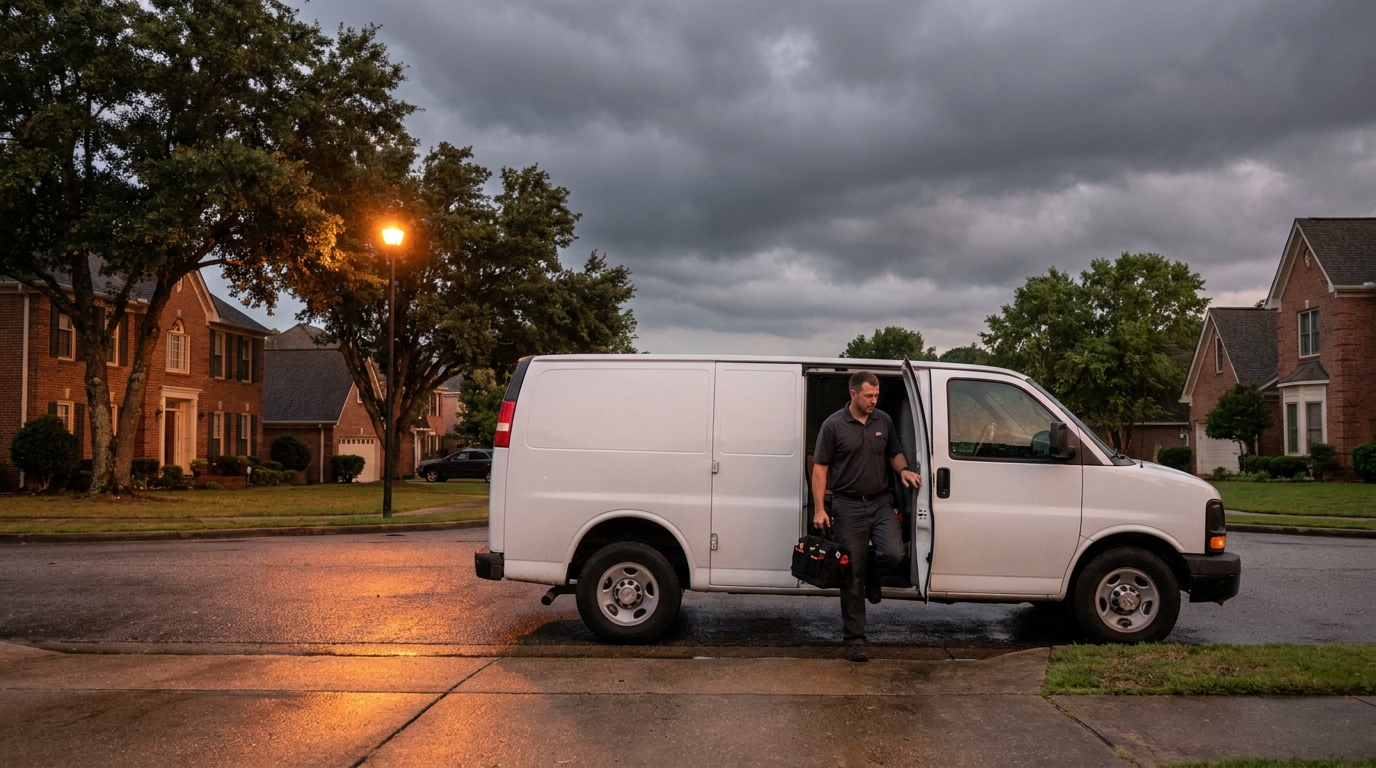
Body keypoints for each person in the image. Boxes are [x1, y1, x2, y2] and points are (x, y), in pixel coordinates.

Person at [811, 371, 922, 662]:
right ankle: (855, 640)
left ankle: (874, 574)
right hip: (847, 506)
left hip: (881, 502)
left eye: (876, 395)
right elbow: (820, 468)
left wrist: (904, 470)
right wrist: (820, 508)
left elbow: (894, 453)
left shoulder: (883, 420)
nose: (874, 400)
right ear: (853, 394)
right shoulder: (833, 425)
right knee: (852, 576)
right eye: (868, 396)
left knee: (894, 553)